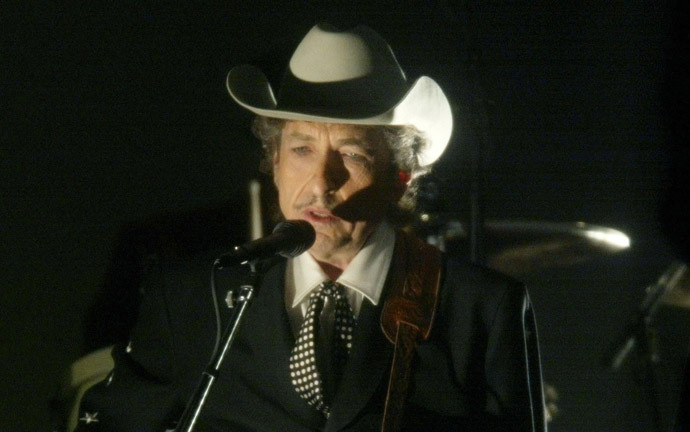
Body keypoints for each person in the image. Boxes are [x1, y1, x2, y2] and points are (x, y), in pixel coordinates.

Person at [76, 23, 546, 432]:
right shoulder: (190, 298)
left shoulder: (479, 309)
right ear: (274, 162)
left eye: (353, 154)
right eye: (301, 149)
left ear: (400, 176)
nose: (321, 181)